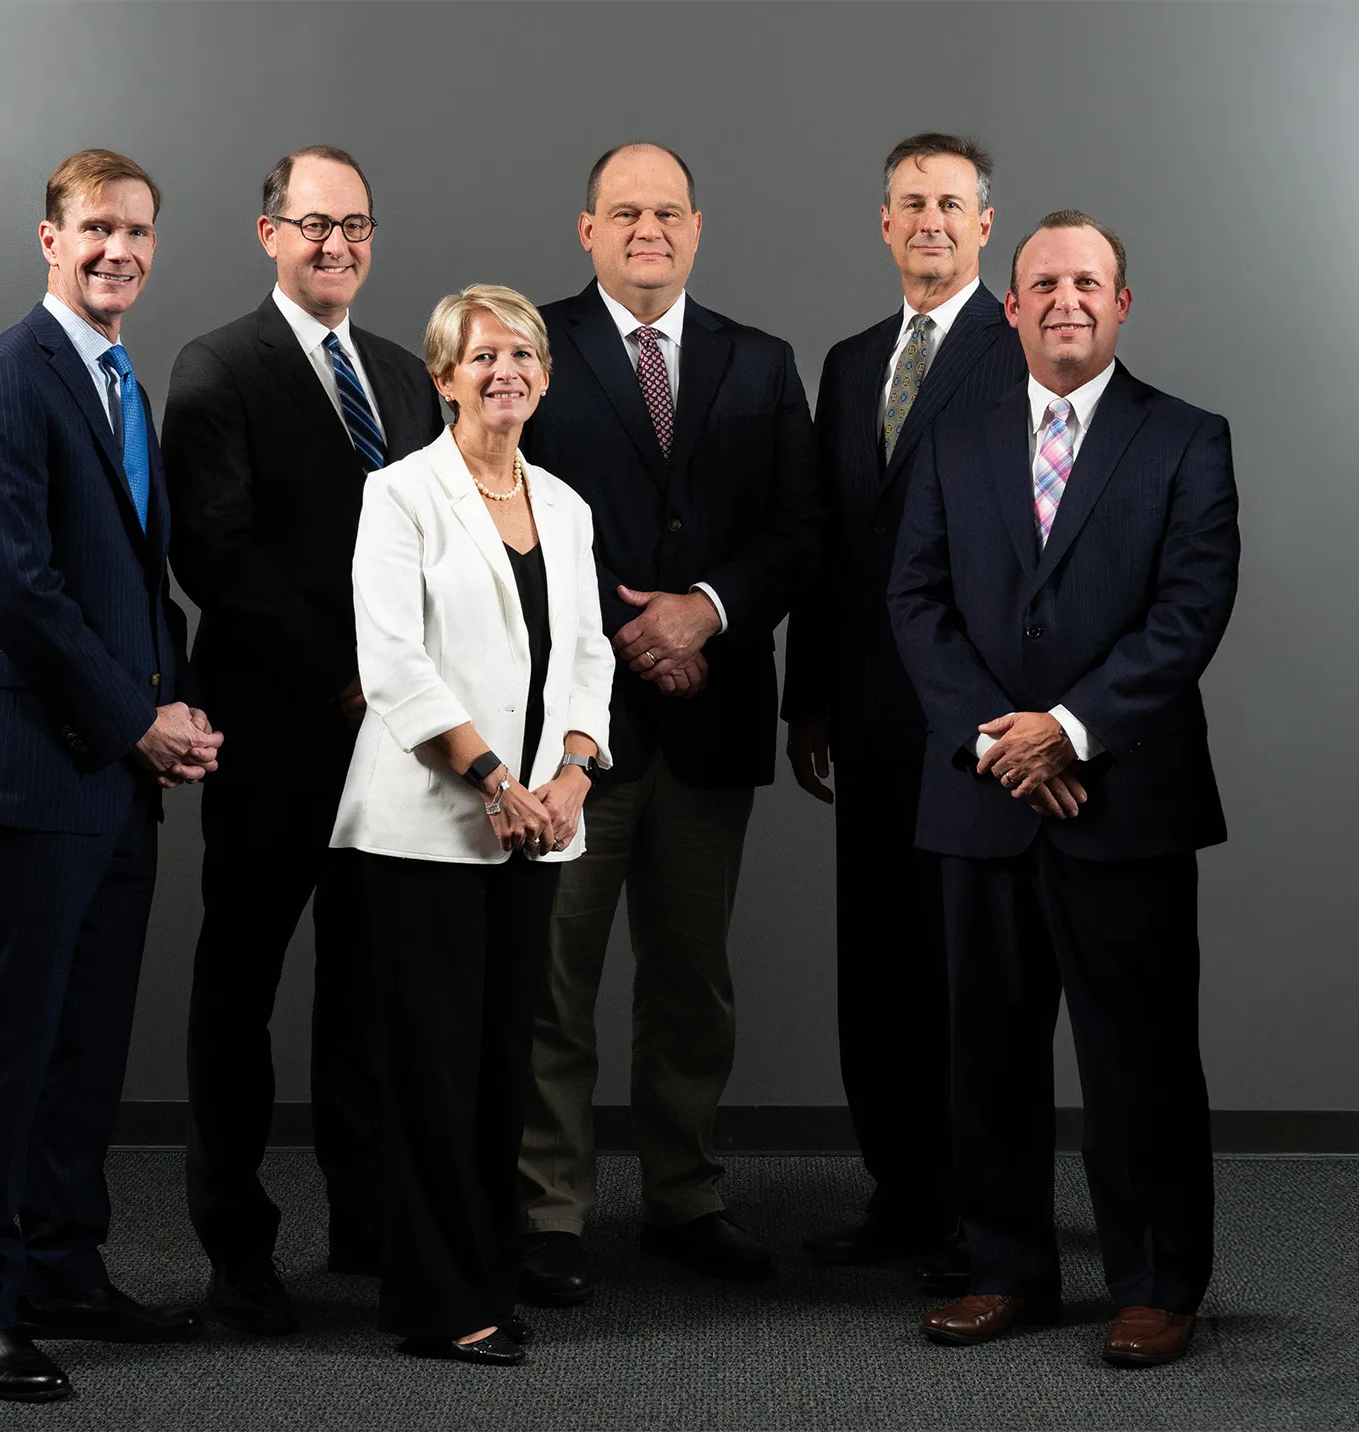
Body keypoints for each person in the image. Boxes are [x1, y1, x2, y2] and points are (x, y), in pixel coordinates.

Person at [888, 211, 1239, 1367]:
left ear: (1121, 302)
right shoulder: (954, 440)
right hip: (982, 796)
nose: (1063, 302)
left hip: (1123, 802)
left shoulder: (1185, 439)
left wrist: (1069, 730)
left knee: (1136, 1056)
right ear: (1011, 306)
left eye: (1086, 283)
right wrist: (1002, 743)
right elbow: (915, 604)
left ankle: (1153, 1283)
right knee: (983, 1050)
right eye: (1042, 285)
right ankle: (1006, 1271)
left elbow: (1187, 615)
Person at [0, 149, 217, 1403]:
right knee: (16, 1048)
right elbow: (19, 601)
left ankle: (63, 1267)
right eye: (96, 228)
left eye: (138, 231)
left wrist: (178, 698)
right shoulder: (0, 382)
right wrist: (136, 721)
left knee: (88, 1042)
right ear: (48, 237)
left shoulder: (119, 383)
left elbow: (129, 585)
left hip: (119, 773)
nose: (119, 251)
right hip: (36, 776)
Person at [516, 142, 818, 1303]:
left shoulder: (760, 360)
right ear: (584, 228)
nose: (648, 229)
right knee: (554, 978)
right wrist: (632, 632)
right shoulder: (530, 348)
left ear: (697, 228)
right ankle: (546, 1211)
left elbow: (800, 527)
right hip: (569, 735)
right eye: (624, 211)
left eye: (668, 212)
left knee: (690, 977)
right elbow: (502, 513)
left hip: (711, 718)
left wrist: (706, 611)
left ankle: (685, 1196)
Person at [162, 145, 444, 1331]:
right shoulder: (217, 366)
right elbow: (213, 555)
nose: (337, 246)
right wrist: (346, 672)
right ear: (267, 231)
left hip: (389, 739)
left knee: (366, 988)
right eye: (313, 224)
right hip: (276, 731)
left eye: (357, 226)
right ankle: (237, 1248)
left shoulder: (398, 371)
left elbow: (435, 543)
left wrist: (403, 689)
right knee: (240, 988)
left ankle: (368, 1222)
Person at [331, 284, 615, 1366]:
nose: (507, 371)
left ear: (544, 376)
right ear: (442, 376)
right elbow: (392, 663)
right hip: (427, 827)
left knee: (505, 1059)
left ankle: (487, 1269)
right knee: (432, 1069)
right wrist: (496, 780)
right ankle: (435, 1299)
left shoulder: (567, 505)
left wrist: (569, 781)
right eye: (482, 356)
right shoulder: (398, 495)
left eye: (524, 355)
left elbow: (586, 657)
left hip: (540, 820)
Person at [782, 134, 1024, 1285]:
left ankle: (986, 1218)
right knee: (875, 965)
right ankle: (901, 1195)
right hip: (867, 723)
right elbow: (832, 548)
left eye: (950, 203)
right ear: (882, 223)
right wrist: (809, 700)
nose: (929, 219)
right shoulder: (848, 361)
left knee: (970, 972)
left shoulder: (1022, 347)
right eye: (909, 202)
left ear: (985, 224)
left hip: (974, 722)